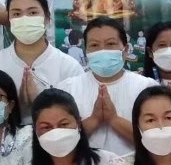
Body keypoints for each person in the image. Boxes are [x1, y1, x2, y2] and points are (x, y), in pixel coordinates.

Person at [54, 17, 160, 156]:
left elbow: (158, 142)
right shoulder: (67, 89)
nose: (102, 51)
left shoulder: (147, 88)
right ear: (86, 51)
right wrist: (94, 119)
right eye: (94, 45)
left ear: (125, 50)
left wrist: (114, 119)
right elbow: (59, 144)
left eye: (110, 44)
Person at [0, 0, 82, 125]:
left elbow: (78, 117)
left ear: (47, 17)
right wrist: (15, 107)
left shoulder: (69, 67)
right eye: (17, 14)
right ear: (9, 19)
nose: (24, 19)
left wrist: (39, 104)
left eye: (33, 12)